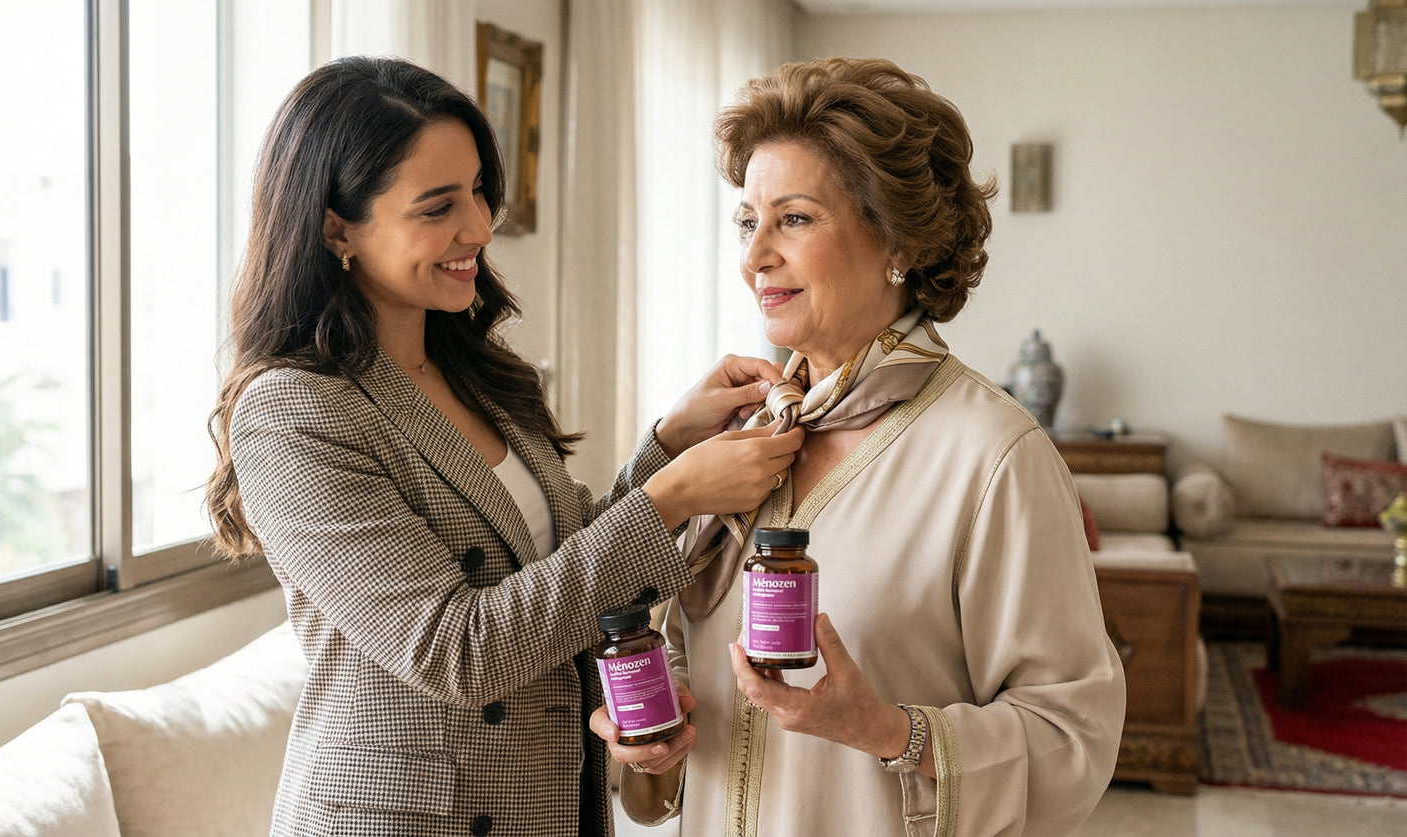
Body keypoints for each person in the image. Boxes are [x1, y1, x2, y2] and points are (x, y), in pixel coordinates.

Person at [203, 56, 803, 837]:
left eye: (480, 191)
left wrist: (667, 445)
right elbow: (457, 649)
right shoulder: (293, 411)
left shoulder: (475, 373)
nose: (481, 229)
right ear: (335, 227)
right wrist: (674, 497)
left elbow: (554, 562)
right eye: (438, 207)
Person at [598, 57, 1125, 837]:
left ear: (896, 241)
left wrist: (888, 730)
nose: (754, 256)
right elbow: (685, 652)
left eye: (794, 219)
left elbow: (1072, 735)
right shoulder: (737, 437)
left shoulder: (992, 456)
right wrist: (658, 726)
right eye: (747, 221)